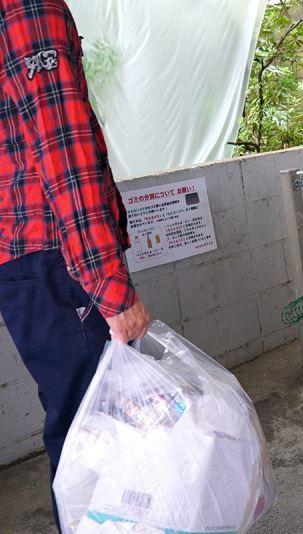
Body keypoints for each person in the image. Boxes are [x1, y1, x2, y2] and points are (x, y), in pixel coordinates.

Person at [0, 0, 150, 528]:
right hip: (54, 257)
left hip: (20, 257)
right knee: (96, 425)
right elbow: (63, 153)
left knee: (75, 418)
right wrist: (113, 291)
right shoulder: (28, 10)